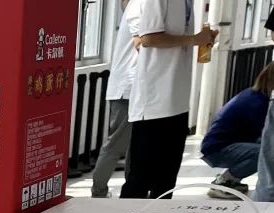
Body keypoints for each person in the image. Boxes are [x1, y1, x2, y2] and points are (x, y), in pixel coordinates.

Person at [120, 0, 218, 199]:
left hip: (178, 99)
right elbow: (147, 39)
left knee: (166, 180)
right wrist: (194, 39)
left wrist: (201, 39)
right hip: (154, 101)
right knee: (140, 178)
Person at [90, 0, 141, 198]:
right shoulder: (138, 9)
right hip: (128, 88)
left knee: (133, 145)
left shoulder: (133, 9)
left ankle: (131, 190)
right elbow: (143, 45)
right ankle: (98, 191)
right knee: (117, 144)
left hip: (131, 87)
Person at [200, 63, 274, 198]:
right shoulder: (257, 103)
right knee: (264, 152)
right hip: (217, 149)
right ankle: (224, 182)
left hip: (220, 145)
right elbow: (268, 138)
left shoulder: (256, 95)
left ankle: (228, 180)